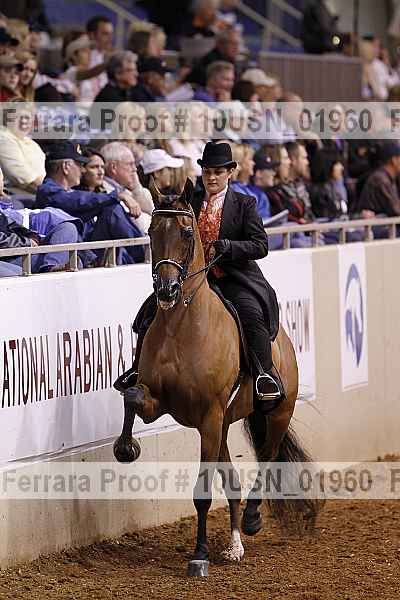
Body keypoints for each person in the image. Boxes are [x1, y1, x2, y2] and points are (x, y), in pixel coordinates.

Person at [116, 142, 284, 412]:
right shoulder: (190, 201)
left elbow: (260, 245)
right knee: (148, 312)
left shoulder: (244, 204)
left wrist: (230, 247)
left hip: (232, 277)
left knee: (250, 314)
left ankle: (264, 375)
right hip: (191, 279)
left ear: (230, 172)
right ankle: (138, 370)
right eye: (207, 172)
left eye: (218, 172)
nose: (212, 177)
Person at [35, 142, 145, 264]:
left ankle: (145, 252)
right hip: (73, 258)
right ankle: (146, 254)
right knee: (112, 208)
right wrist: (117, 196)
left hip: (84, 254)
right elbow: (77, 201)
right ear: (66, 167)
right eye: (79, 164)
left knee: (111, 209)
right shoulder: (48, 191)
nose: (82, 170)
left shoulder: (68, 192)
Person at [101, 142, 154, 234]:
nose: (135, 169)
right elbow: (138, 223)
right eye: (130, 164)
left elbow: (152, 212)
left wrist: (137, 188)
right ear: (113, 167)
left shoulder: (126, 189)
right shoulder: (104, 191)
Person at [0, 99, 45, 192]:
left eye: (27, 118)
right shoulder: (4, 138)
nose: (23, 121)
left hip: (43, 190)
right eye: (17, 117)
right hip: (19, 195)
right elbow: (28, 179)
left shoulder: (31, 143)